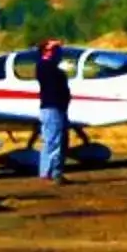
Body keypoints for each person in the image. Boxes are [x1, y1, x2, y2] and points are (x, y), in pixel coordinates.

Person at [32, 40, 73, 181]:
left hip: (58, 108)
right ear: (47, 51)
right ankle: (53, 172)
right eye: (55, 49)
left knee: (57, 140)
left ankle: (48, 171)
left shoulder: (53, 68)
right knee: (54, 141)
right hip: (52, 108)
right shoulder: (44, 66)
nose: (58, 52)